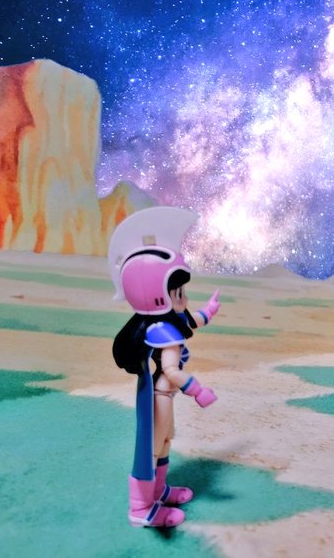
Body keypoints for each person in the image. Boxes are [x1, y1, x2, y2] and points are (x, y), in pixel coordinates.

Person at [109, 207, 221, 528]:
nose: (183, 298)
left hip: (165, 397)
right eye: (178, 292)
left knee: (164, 443)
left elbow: (189, 320)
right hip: (161, 396)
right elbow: (171, 370)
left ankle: (158, 491)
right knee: (152, 449)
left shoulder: (167, 321)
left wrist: (209, 311)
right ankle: (141, 508)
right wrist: (197, 390)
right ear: (158, 295)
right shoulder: (160, 332)